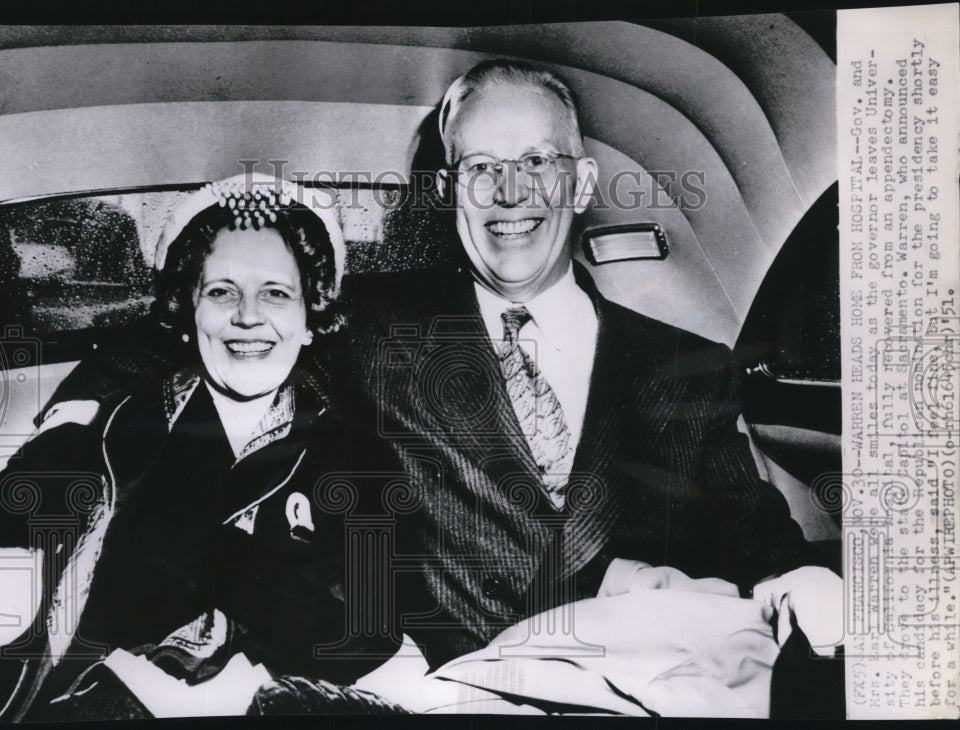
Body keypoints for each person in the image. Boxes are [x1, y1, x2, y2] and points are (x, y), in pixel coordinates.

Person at [333, 59, 843, 671]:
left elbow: (750, 531)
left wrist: (801, 580)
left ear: (582, 183)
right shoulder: (367, 335)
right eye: (480, 168)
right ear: (446, 192)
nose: (511, 192)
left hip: (641, 686)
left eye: (538, 162)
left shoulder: (689, 368)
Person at [0, 174, 392, 720]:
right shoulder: (117, 420)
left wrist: (226, 573)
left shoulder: (353, 457)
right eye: (221, 291)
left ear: (310, 318)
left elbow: (366, 637)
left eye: (277, 292)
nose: (247, 316)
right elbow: (2, 517)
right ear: (188, 312)